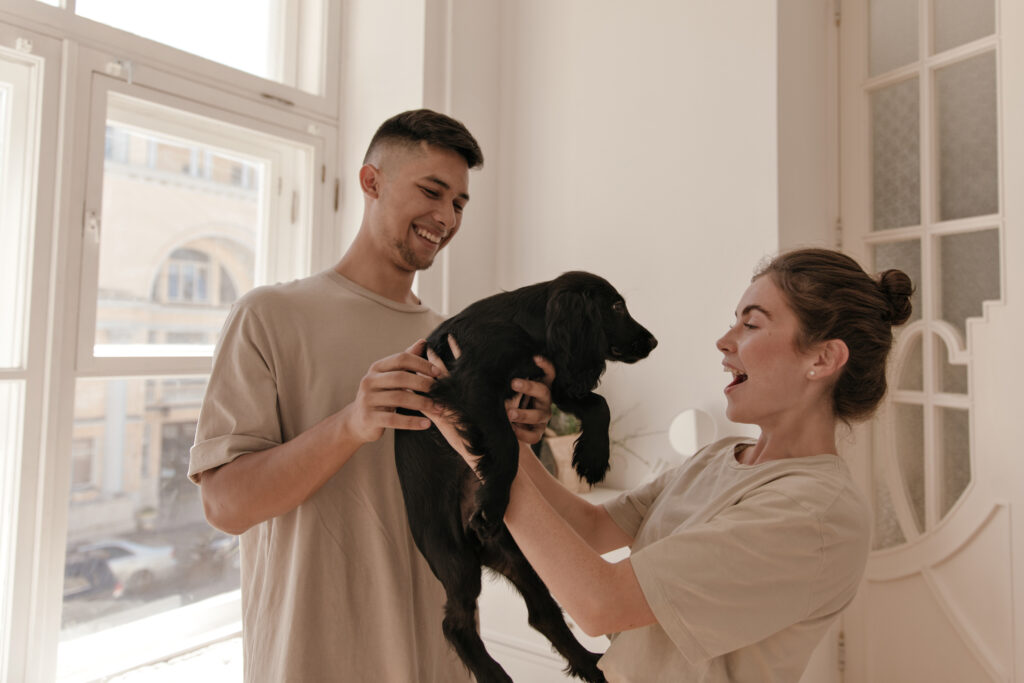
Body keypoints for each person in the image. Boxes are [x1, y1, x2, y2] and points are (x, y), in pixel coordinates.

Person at [428, 248, 914, 682]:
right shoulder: (718, 460)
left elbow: (601, 605)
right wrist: (500, 434)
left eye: (752, 323)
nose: (724, 341)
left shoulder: (815, 513)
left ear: (824, 358)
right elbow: (591, 526)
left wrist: (467, 426)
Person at [187, 109, 551, 682]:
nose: (446, 216)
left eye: (459, 203)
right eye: (432, 191)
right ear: (371, 181)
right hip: (313, 662)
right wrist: (352, 423)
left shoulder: (459, 343)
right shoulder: (269, 316)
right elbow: (225, 506)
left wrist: (518, 446)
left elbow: (496, 526)